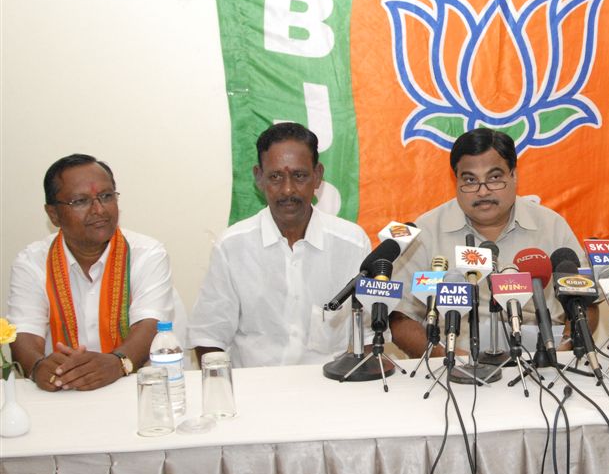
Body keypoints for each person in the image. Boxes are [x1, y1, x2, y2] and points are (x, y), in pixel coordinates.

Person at [389, 128, 586, 358]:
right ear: (456, 180)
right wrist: (446, 357)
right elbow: (401, 318)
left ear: (514, 176)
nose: (482, 191)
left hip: (543, 361)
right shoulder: (427, 231)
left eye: (494, 178)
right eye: (470, 180)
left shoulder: (551, 226)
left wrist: (567, 346)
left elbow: (585, 303)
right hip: (455, 366)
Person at [188, 123, 372, 367]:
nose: (287, 190)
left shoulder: (352, 244)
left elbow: (368, 336)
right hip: (254, 391)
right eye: (275, 177)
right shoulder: (232, 247)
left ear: (317, 176)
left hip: (330, 388)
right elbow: (209, 337)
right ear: (259, 177)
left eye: (299, 176)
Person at [6, 154, 173, 390]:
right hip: (61, 389)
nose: (99, 210)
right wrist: (37, 367)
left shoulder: (147, 253)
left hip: (133, 387)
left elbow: (149, 324)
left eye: (106, 196)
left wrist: (117, 363)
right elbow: (24, 331)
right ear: (53, 214)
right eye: (80, 201)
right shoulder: (31, 261)